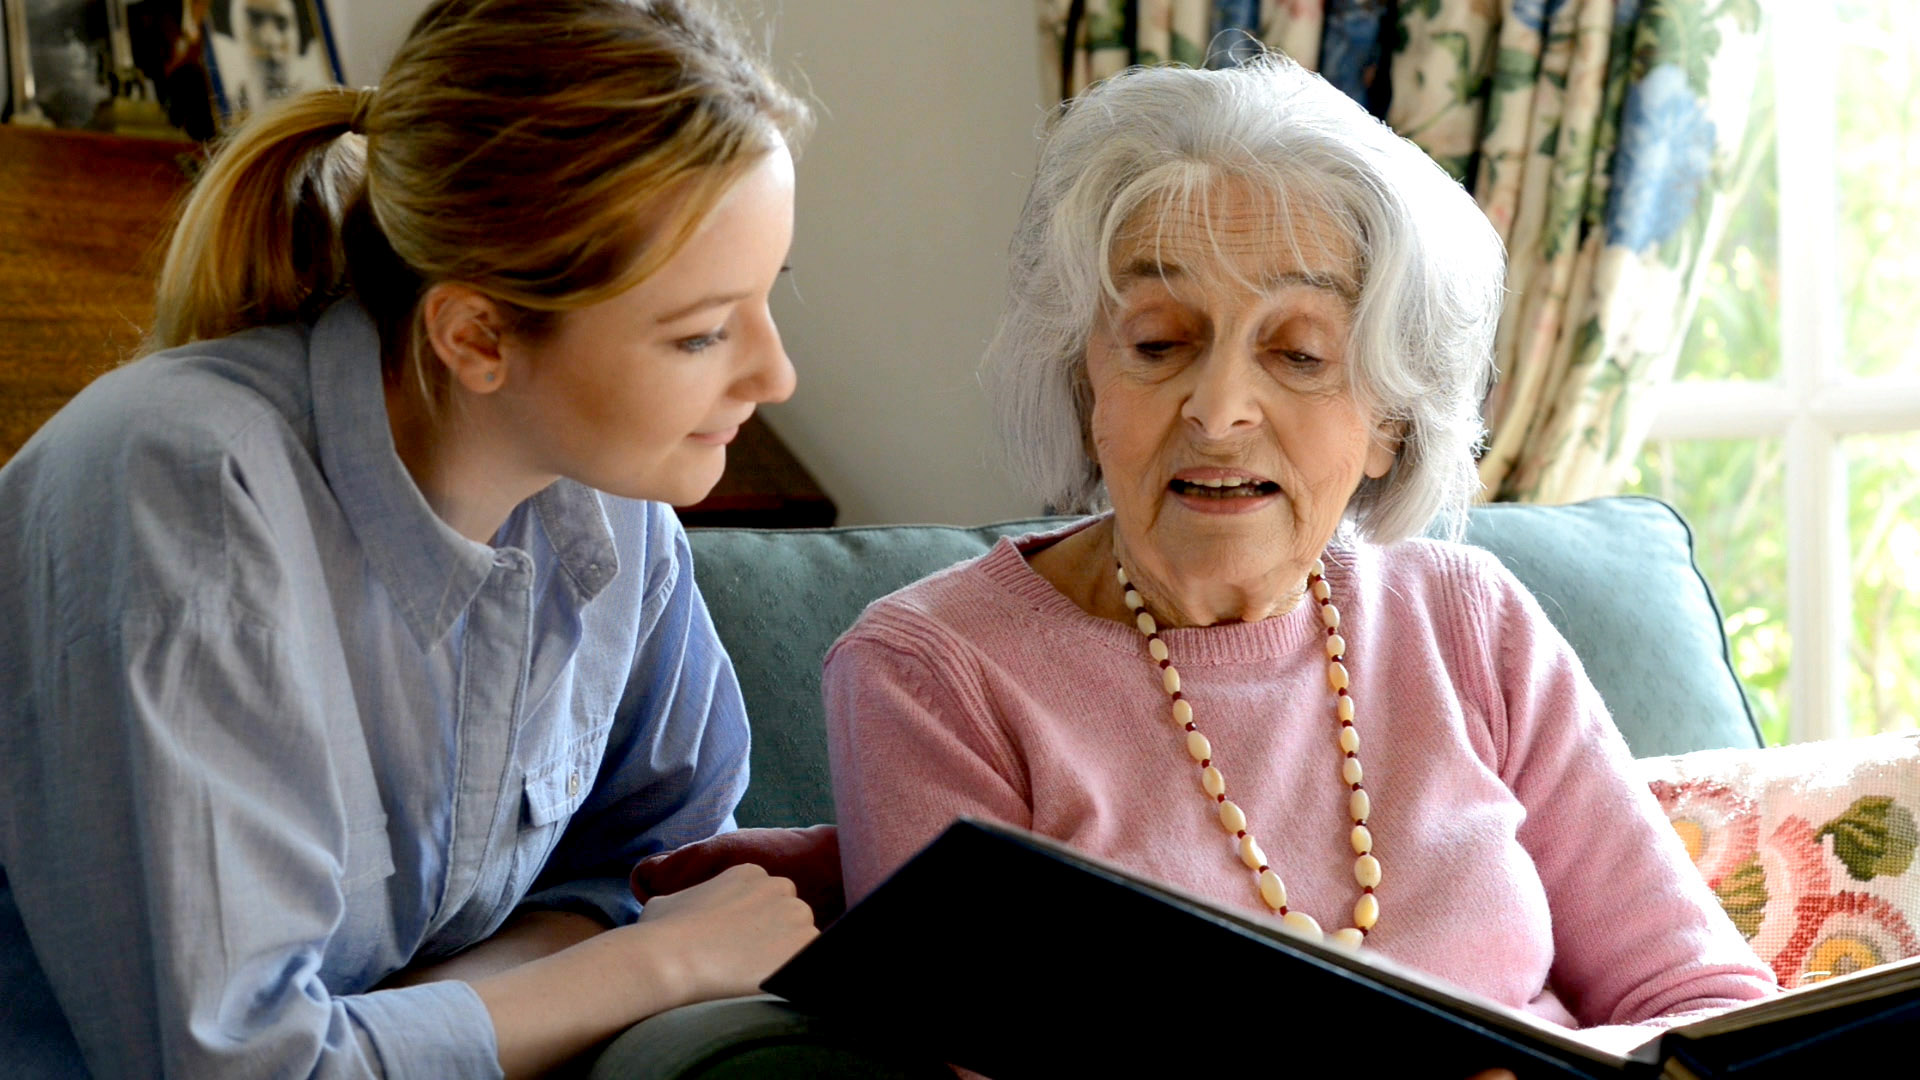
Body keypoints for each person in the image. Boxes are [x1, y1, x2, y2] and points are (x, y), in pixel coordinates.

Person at [823, 55, 1777, 1052]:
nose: (1221, 409)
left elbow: (1707, 1003)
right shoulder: (931, 673)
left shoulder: (1466, 621)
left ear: (1388, 423)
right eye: (1158, 342)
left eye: (1299, 353)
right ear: (1086, 384)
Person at [0, 1, 820, 1075]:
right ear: (476, 334)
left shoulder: (611, 507)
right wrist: (643, 971)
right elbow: (234, 1067)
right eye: (702, 332)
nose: (777, 375)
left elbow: (661, 866)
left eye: (767, 298)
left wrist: (428, 1015)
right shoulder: (185, 497)